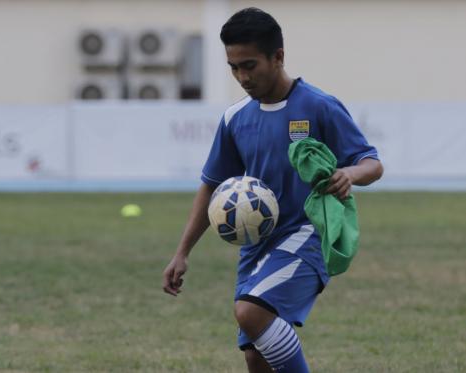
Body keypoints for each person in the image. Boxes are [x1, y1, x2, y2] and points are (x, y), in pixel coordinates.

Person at [162, 7, 384, 373]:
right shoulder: (236, 118)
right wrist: (182, 252)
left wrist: (350, 173)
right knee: (256, 355)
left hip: (307, 234)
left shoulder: (318, 106)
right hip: (255, 245)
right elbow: (212, 185)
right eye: (234, 67)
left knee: (250, 312)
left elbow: (372, 163)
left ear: (278, 57)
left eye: (249, 65)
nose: (241, 76)